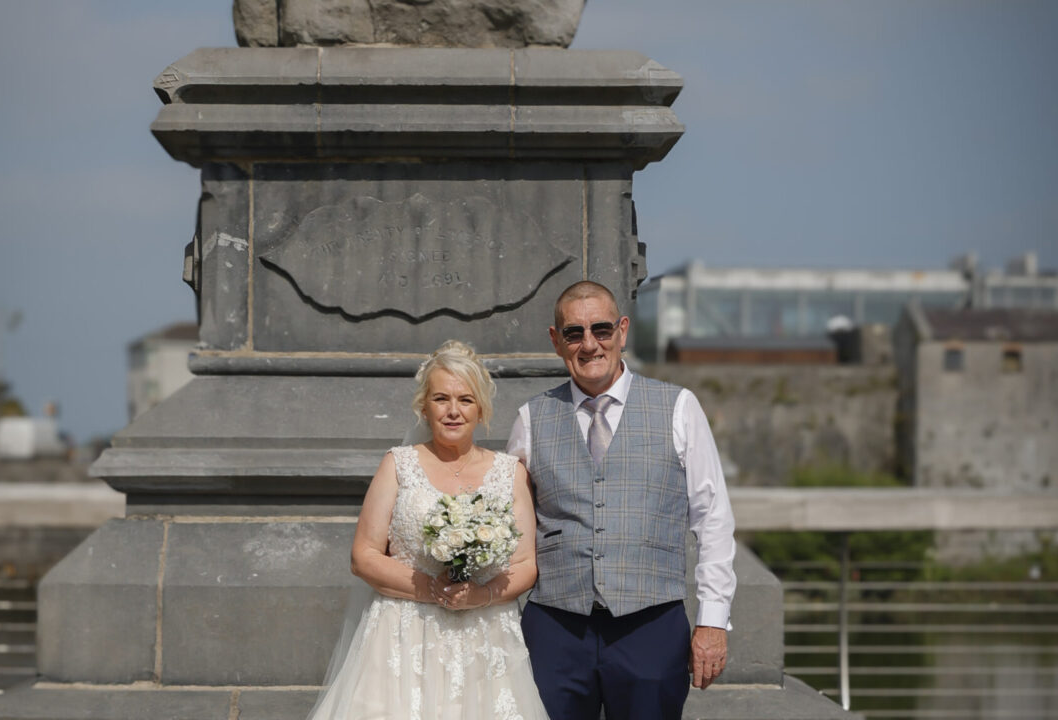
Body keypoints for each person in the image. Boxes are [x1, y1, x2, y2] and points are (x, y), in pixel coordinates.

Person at [506, 281, 737, 720]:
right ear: (556, 341)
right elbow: (511, 527)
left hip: (650, 625)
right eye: (574, 333)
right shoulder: (530, 420)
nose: (589, 344)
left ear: (623, 330)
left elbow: (713, 520)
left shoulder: (678, 407)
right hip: (555, 626)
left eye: (602, 329)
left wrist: (712, 619)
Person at [309, 340, 550, 720]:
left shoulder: (510, 472)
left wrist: (481, 596)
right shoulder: (398, 464)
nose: (453, 411)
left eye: (466, 400)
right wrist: (430, 589)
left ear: (482, 408)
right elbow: (364, 556)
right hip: (401, 637)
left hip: (486, 641)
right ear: (424, 405)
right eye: (441, 399)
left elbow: (525, 564)